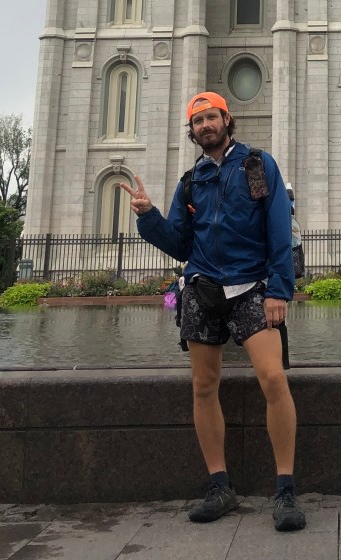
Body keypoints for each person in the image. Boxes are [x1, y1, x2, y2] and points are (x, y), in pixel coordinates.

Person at [119, 91, 305, 533]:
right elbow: (180, 243)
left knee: (273, 379)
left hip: (252, 286)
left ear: (227, 119)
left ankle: (285, 489)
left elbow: (278, 228)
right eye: (197, 120)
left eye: (211, 117)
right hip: (203, 288)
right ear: (192, 131)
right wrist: (148, 217)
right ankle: (219, 486)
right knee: (203, 387)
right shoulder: (192, 181)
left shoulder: (256, 166)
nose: (205, 125)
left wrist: (279, 290)